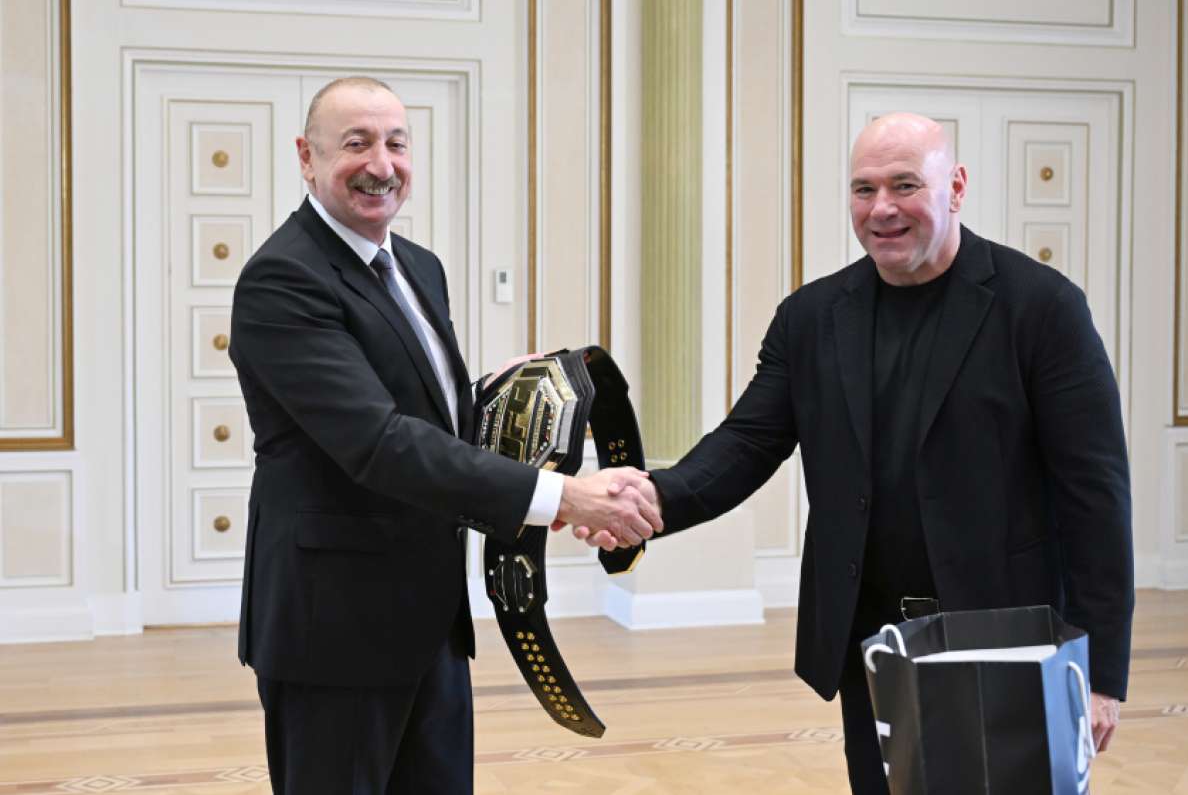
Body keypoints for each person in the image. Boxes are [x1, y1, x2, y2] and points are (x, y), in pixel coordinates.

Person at [583, 112, 1134, 792]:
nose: (882, 209)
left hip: (1007, 636)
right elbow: (746, 442)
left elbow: (1095, 495)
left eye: (905, 185)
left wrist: (1101, 672)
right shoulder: (812, 318)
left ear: (956, 187)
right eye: (863, 189)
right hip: (871, 639)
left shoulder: (1042, 308)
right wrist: (650, 497)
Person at [229, 76, 660, 795]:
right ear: (307, 156)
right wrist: (564, 497)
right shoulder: (282, 278)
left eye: (396, 143)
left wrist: (501, 393)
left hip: (429, 620)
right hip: (333, 632)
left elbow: (425, 414)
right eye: (356, 143)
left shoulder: (417, 266)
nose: (382, 164)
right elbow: (379, 442)